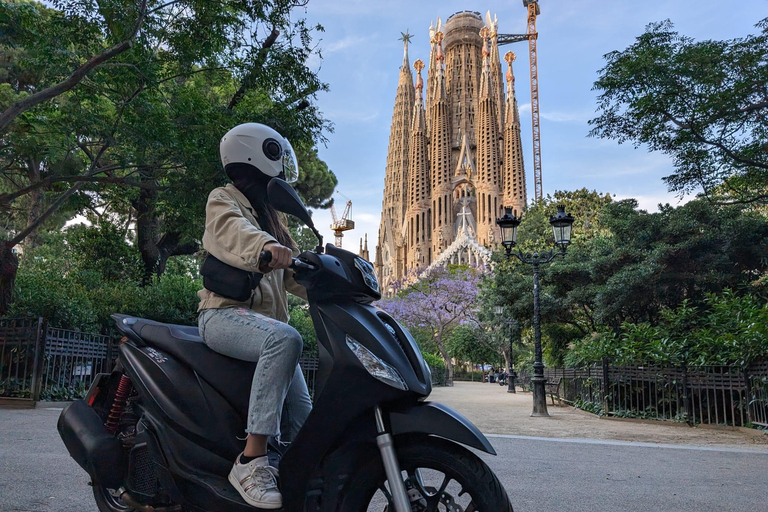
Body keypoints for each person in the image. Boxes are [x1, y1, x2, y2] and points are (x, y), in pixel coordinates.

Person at [197, 123, 311, 510]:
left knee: (305, 419)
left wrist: (337, 277)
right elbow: (232, 234)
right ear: (258, 156)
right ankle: (251, 460)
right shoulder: (223, 200)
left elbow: (297, 274)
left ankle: (304, 480)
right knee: (287, 339)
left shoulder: (272, 218)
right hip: (224, 316)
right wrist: (266, 246)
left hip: (267, 328)